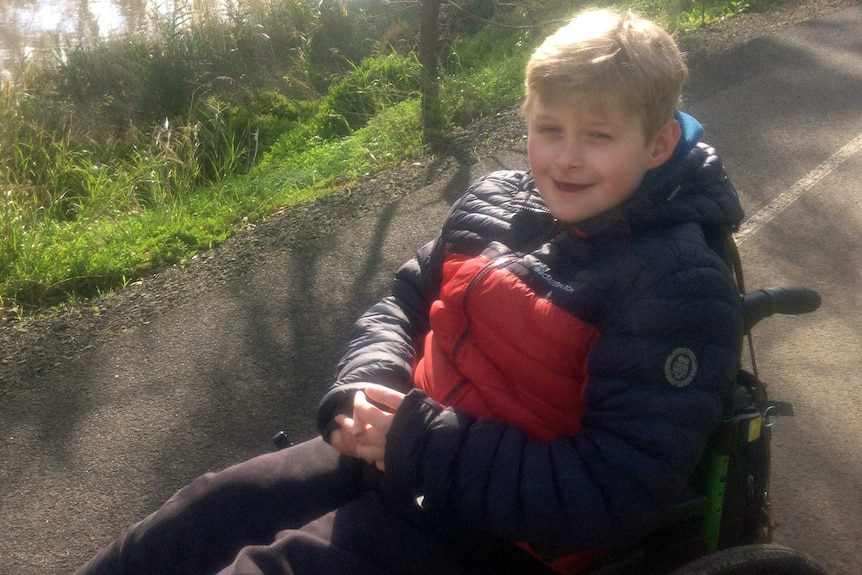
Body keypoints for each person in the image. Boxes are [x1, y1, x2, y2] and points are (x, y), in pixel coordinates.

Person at [75, 8, 745, 575]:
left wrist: (416, 442)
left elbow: (613, 492)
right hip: (395, 450)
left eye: (597, 137)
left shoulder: (677, 282)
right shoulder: (496, 201)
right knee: (194, 517)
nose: (565, 158)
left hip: (496, 535)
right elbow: (400, 304)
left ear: (658, 145)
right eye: (550, 130)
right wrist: (362, 386)